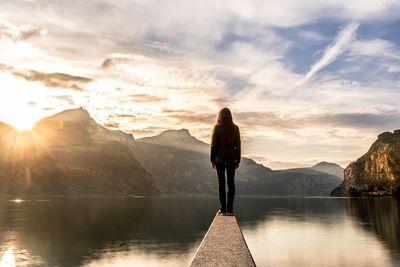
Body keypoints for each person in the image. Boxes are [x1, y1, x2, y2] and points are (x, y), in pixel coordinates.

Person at [210, 107, 241, 216]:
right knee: (231, 183)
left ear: (220, 116)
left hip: (220, 159)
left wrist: (212, 159)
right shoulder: (235, 128)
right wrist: (238, 160)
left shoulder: (217, 127)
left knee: (221, 184)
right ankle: (230, 210)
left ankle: (223, 209)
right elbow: (238, 145)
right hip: (232, 159)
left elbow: (214, 145)